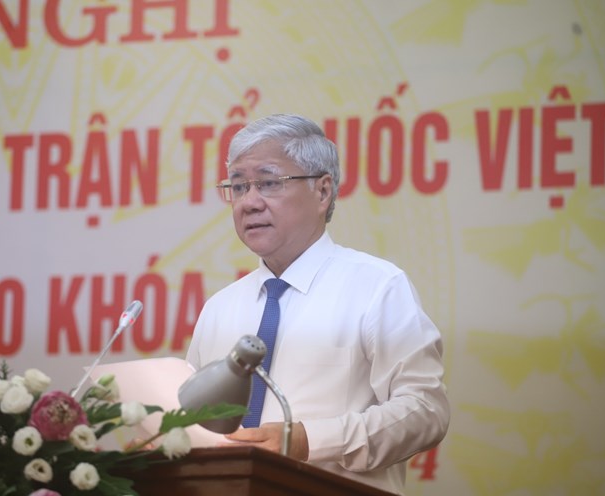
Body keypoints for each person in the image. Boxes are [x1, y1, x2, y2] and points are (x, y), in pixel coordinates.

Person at [185, 113, 449, 494]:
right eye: (239, 187)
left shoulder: (376, 286)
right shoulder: (220, 308)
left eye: (269, 182)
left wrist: (309, 440)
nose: (249, 203)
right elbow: (195, 423)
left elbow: (426, 411)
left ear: (323, 191)